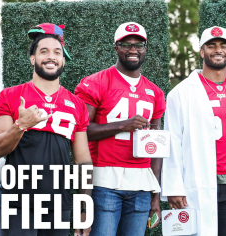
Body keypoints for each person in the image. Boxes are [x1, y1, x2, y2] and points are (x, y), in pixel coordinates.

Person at [0, 23, 92, 236]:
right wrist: (21, 126)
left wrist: (85, 211)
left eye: (57, 52)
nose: (51, 57)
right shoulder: (10, 96)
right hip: (17, 201)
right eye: (44, 51)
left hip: (59, 203)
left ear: (63, 60)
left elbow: (83, 162)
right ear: (33, 59)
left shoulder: (76, 104)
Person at [74, 22, 165, 236]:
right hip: (104, 181)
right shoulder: (95, 82)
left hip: (142, 184)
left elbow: (157, 147)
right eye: (126, 44)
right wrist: (122, 125)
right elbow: (79, 130)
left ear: (145, 49)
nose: (133, 50)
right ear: (116, 48)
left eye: (139, 45)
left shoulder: (155, 92)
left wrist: (156, 193)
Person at [161, 26, 226, 236]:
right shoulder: (181, 92)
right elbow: (172, 141)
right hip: (197, 180)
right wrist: (174, 187)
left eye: (223, 45)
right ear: (201, 52)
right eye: (211, 46)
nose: (218, 50)